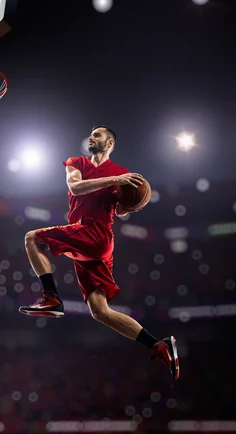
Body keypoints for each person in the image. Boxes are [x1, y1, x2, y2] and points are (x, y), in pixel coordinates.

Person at [19, 125, 180, 380]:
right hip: (92, 242)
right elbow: (75, 187)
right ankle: (158, 344)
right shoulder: (78, 162)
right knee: (99, 311)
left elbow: (121, 211)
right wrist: (116, 181)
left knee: (32, 238)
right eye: (91, 134)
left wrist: (133, 203)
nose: (92, 137)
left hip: (94, 233)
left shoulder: (122, 174)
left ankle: (51, 297)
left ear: (110, 144)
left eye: (98, 135)